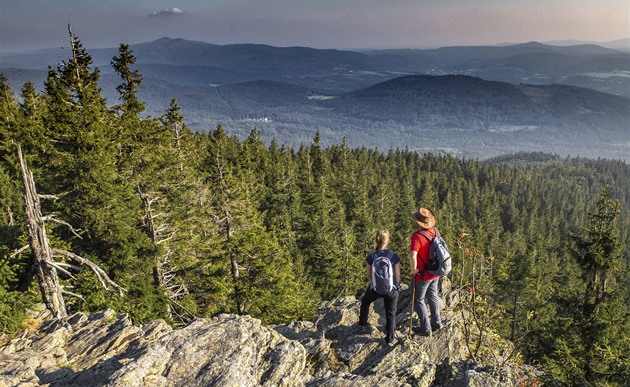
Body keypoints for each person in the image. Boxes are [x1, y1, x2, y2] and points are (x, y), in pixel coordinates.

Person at [359, 229, 401, 346]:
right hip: (391, 290)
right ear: (388, 241)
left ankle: (362, 324)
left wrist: (375, 283)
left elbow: (368, 275)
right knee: (390, 313)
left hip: (375, 289)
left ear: (376, 240)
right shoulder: (393, 256)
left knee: (365, 301)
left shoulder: (371, 256)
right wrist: (395, 286)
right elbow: (397, 274)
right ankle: (390, 339)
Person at [409, 207, 443, 337]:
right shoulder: (435, 231)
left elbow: (413, 256)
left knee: (418, 300)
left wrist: (414, 270)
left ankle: (426, 328)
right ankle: (437, 322)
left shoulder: (417, 236)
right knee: (433, 296)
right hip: (435, 271)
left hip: (423, 274)